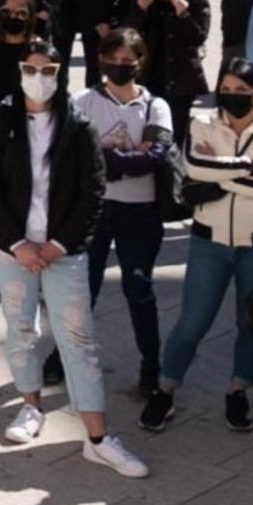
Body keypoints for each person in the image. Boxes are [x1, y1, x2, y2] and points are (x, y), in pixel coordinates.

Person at [0, 40, 148, 476]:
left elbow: (92, 193)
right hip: (11, 250)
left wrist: (57, 245)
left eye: (48, 69)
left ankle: (97, 436)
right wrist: (19, 244)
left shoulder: (78, 126)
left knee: (80, 341)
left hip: (63, 253)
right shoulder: (0, 123)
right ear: (19, 72)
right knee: (20, 328)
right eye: (31, 69)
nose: (39, 77)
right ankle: (30, 405)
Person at [140, 59, 253, 434]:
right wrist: (248, 165)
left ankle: (239, 389)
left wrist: (221, 176)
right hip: (209, 241)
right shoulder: (202, 123)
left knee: (252, 324)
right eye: (227, 88)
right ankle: (165, 389)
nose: (234, 97)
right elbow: (194, 165)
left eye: (243, 91)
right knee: (193, 321)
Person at [75, 30, 173, 397]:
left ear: (140, 61)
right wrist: (125, 160)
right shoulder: (82, 102)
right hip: (95, 210)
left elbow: (154, 156)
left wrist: (105, 160)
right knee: (84, 289)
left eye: (127, 60)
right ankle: (65, 358)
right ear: (100, 60)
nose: (120, 66)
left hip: (140, 212)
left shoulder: (155, 106)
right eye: (112, 59)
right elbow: (76, 156)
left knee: (139, 288)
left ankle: (151, 365)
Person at [124, 0, 209, 145]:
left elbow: (198, 37)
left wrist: (184, 14)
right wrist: (140, 10)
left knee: (175, 133)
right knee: (146, 131)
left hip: (180, 78)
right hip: (149, 74)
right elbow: (127, 34)